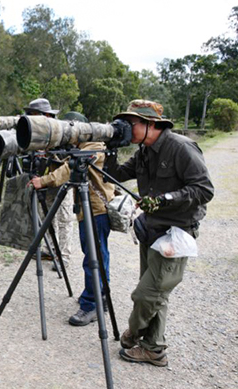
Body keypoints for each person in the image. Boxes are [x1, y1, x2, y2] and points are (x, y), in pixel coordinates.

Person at [106, 100, 214, 367]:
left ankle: (135, 332)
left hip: (175, 233)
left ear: (150, 124)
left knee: (145, 295)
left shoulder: (180, 147)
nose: (127, 130)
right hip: (151, 230)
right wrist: (109, 148)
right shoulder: (144, 151)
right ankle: (154, 349)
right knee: (157, 293)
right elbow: (117, 174)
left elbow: (204, 190)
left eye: (131, 125)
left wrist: (165, 198)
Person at [28, 111, 115, 326]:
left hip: (97, 209)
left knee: (94, 257)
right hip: (91, 209)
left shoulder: (94, 146)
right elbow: (64, 160)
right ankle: (99, 295)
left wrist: (45, 180)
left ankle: (91, 304)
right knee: (96, 253)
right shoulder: (85, 146)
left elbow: (70, 168)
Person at [24, 99, 74, 267]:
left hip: (61, 181)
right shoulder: (39, 135)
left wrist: (45, 178)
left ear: (45, 116)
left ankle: (64, 256)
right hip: (45, 182)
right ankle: (51, 250)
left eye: (33, 115)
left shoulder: (64, 133)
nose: (31, 118)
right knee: (47, 218)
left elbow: (69, 166)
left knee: (64, 219)